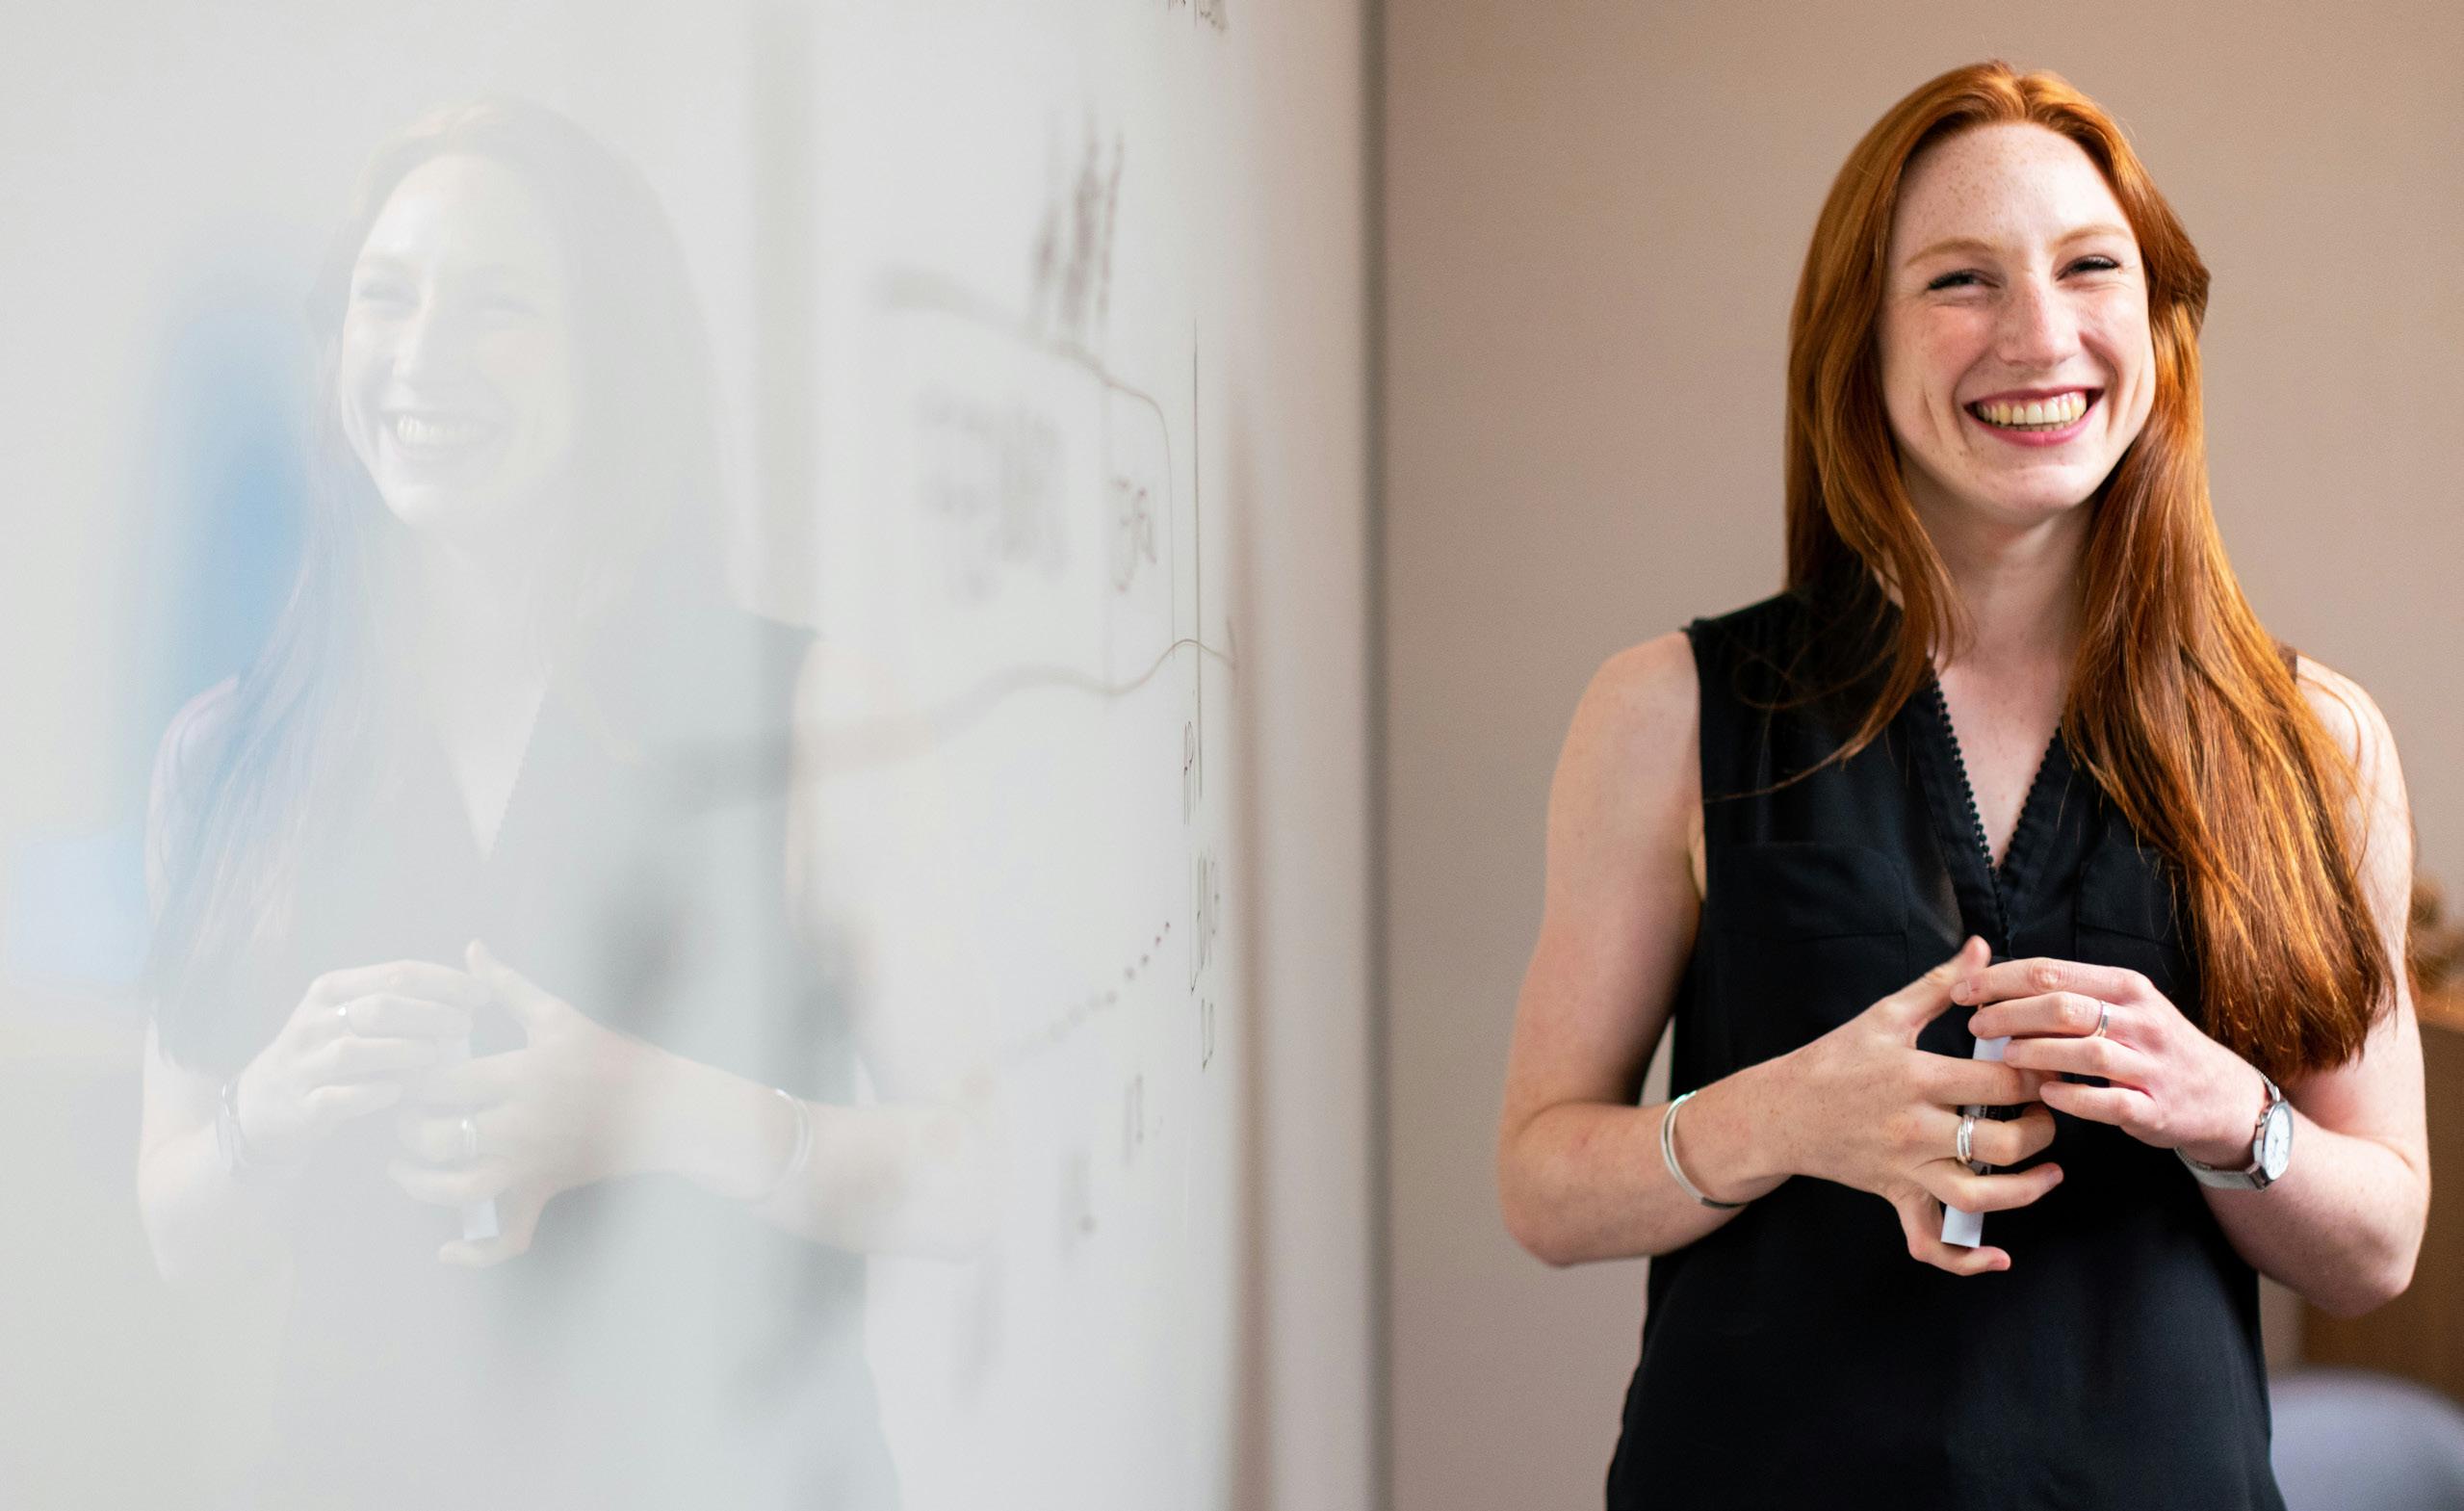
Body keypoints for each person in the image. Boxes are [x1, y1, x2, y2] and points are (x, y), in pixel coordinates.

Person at [1495, 61, 2426, 1509]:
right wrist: (1783, 1117)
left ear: (2159, 321)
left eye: (2089, 268)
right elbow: (1544, 1186)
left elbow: (2380, 1246)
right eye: (1961, 280)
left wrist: (2227, 1110)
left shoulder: (2317, 740)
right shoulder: (1668, 714)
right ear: (1857, 344)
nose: (2040, 335)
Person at [134, 100, 979, 1509]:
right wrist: (268, 1108)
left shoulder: (817, 717)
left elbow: (985, 1174)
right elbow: (180, 1237)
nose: (422, 357)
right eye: (385, 298)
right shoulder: (227, 756)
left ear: (615, 362)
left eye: (499, 306)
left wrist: (656, 1109)